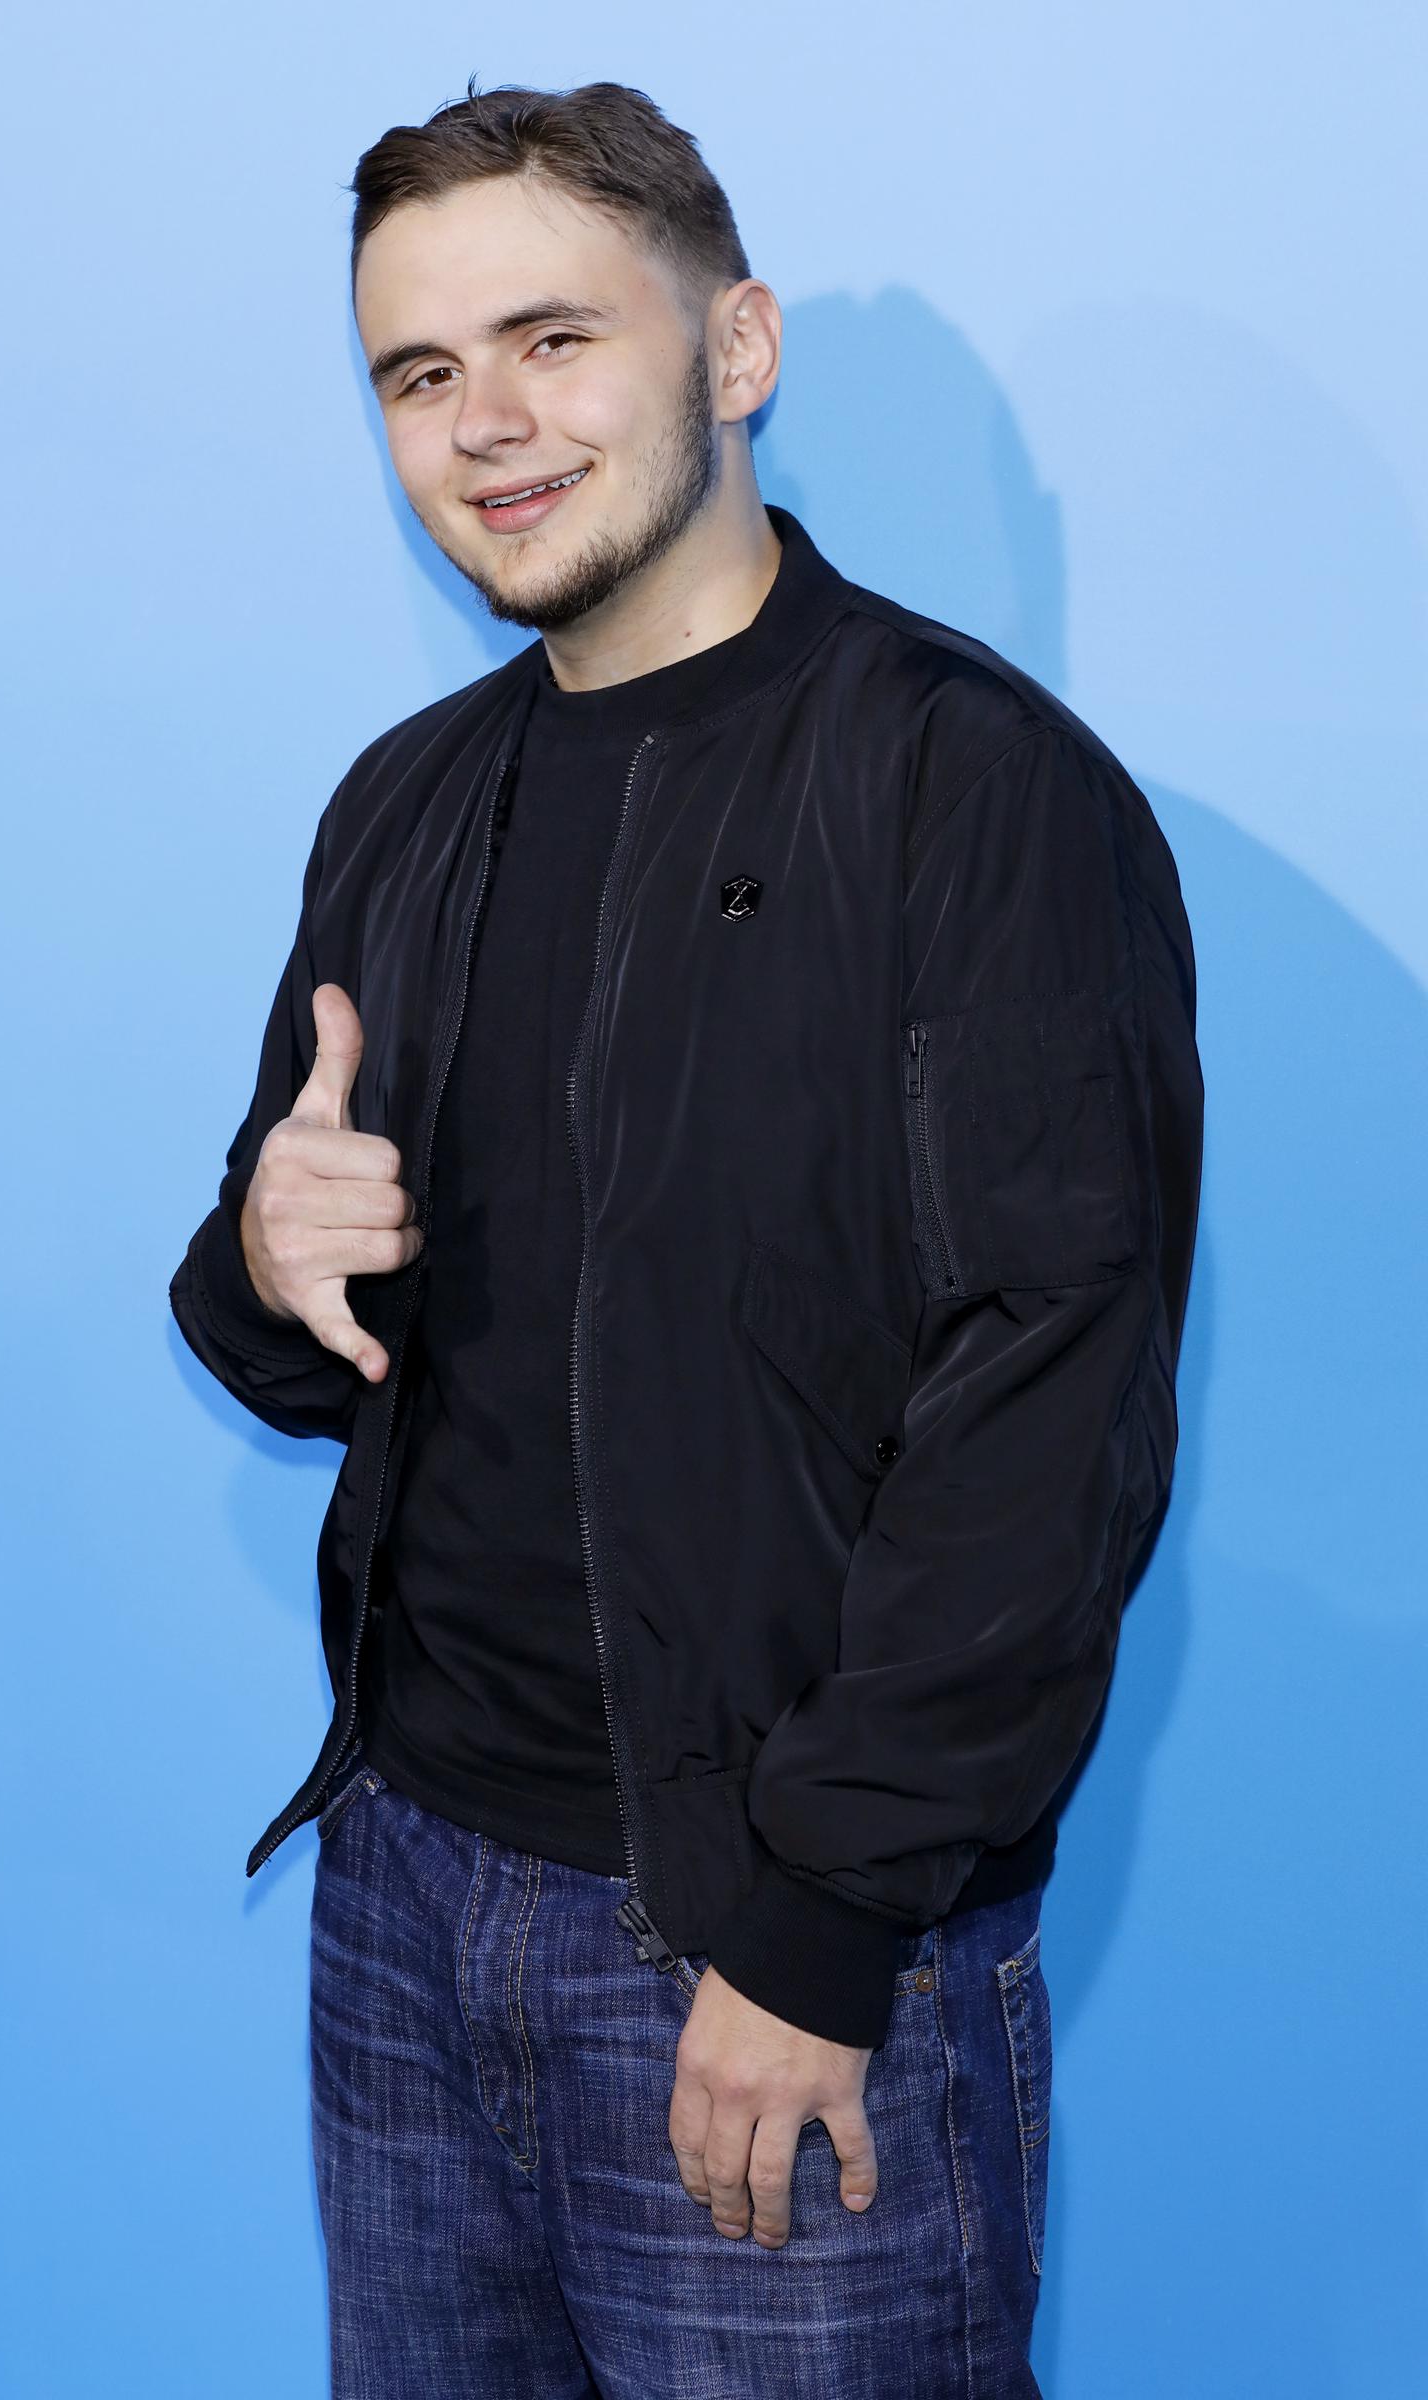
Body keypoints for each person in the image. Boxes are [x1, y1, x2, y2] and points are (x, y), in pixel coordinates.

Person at [169, 74, 1204, 2400]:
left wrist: (818, 1928)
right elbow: (281, 1338)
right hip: (404, 1901)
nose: (483, 426)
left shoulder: (973, 791)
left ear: (732, 350)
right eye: (417, 375)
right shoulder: (408, 805)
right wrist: (260, 1251)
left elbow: (1045, 1411)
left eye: (552, 341)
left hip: (763, 1945)